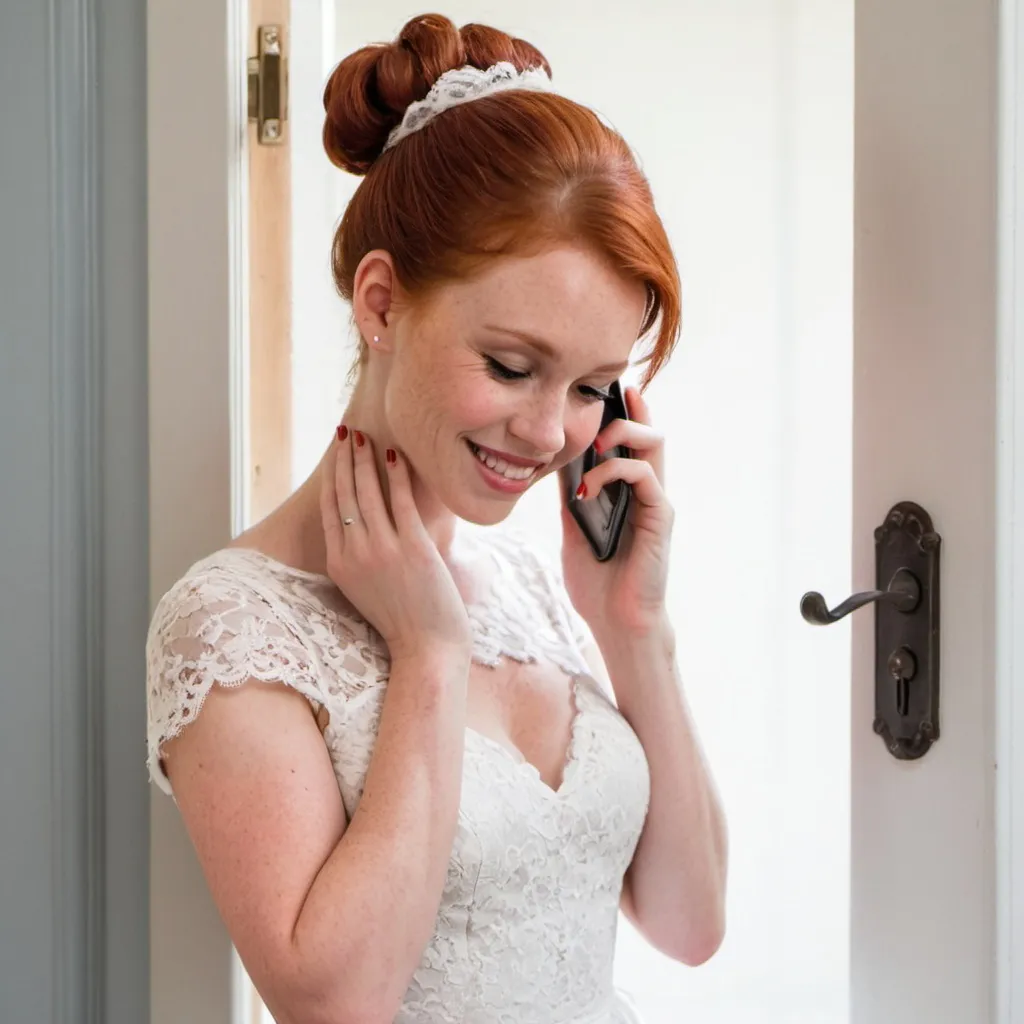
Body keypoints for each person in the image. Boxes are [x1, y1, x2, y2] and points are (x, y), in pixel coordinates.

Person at [145, 13, 727, 1024]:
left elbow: (688, 922)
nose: (551, 431)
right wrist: (425, 656)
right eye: (511, 365)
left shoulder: (537, 594)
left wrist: (635, 632)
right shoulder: (232, 625)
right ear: (380, 304)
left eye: (593, 386)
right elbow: (335, 1003)